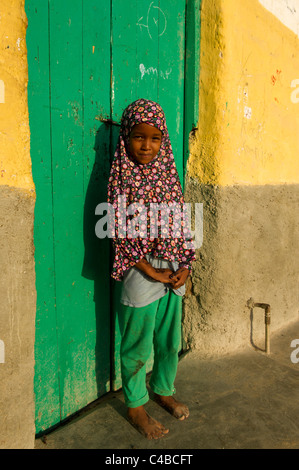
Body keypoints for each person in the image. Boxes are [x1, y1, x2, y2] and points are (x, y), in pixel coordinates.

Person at [107, 98, 196, 439]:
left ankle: (163, 388)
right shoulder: (121, 176)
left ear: (164, 140)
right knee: (138, 343)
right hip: (138, 267)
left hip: (172, 265)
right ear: (126, 137)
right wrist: (149, 269)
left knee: (169, 338)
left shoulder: (168, 172)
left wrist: (184, 263)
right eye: (138, 137)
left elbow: (181, 218)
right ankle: (135, 404)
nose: (147, 145)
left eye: (155, 138)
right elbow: (117, 227)